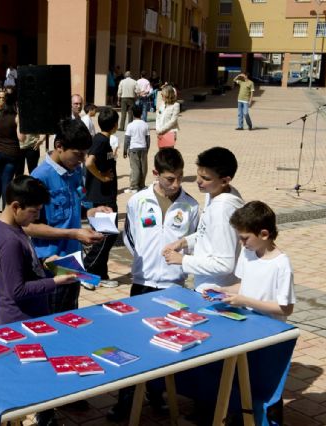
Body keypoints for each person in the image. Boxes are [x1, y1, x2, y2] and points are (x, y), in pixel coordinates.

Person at [109, 147, 200, 422]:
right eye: (170, 179)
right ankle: (125, 399)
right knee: (133, 343)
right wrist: (145, 261)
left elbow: (194, 241)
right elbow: (131, 237)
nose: (176, 185)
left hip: (174, 288)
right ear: (155, 173)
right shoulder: (138, 201)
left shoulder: (191, 206)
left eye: (180, 178)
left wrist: (177, 265)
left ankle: (157, 394)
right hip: (142, 283)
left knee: (166, 344)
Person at [27, 118, 108, 314]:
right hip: (50, 264)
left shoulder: (75, 171)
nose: (82, 160)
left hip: (73, 261)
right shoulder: (40, 178)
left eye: (84, 155)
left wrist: (90, 212)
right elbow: (28, 226)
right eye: (78, 154)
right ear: (59, 146)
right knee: (51, 320)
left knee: (70, 316)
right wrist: (74, 234)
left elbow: (72, 207)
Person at [0, 175, 77, 325]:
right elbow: (17, 290)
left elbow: (20, 265)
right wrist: (55, 282)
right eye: (34, 211)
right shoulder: (10, 241)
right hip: (21, 320)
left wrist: (43, 263)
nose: (37, 216)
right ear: (16, 207)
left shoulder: (12, 227)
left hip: (28, 315)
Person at [163, 147, 244, 292]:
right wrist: (183, 242)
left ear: (225, 180)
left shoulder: (222, 209)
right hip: (207, 286)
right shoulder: (213, 192)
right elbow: (207, 233)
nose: (198, 181)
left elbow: (224, 264)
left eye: (206, 178)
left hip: (216, 291)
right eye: (198, 175)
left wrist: (183, 260)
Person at [211, 201, 296, 321]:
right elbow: (244, 286)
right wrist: (222, 291)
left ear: (264, 234)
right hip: (245, 319)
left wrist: (246, 301)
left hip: (269, 328)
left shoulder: (281, 265)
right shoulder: (247, 252)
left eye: (245, 238)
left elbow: (286, 308)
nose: (241, 243)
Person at [83, 107, 120, 289]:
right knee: (104, 237)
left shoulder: (104, 141)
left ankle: (101, 274)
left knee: (107, 237)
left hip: (107, 196)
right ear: (115, 124)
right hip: (101, 198)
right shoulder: (100, 140)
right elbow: (89, 162)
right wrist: (102, 177)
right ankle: (87, 272)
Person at [0, 90, 25, 212]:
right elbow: (21, 137)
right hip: (11, 153)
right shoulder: (16, 117)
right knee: (7, 180)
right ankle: (6, 209)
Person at [123, 104, 150, 193]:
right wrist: (147, 149)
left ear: (133, 114)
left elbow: (127, 139)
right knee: (143, 168)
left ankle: (134, 186)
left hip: (133, 149)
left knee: (135, 168)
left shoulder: (130, 125)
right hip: (143, 148)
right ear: (141, 113)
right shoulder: (145, 125)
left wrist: (125, 150)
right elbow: (148, 138)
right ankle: (142, 185)